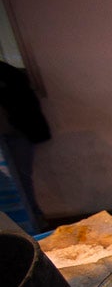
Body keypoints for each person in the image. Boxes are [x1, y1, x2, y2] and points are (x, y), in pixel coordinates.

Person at [0, 60, 51, 232]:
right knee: (15, 183)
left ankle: (33, 223)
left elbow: (24, 104)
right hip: (11, 133)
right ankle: (28, 224)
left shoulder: (9, 75)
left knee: (21, 180)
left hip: (17, 132)